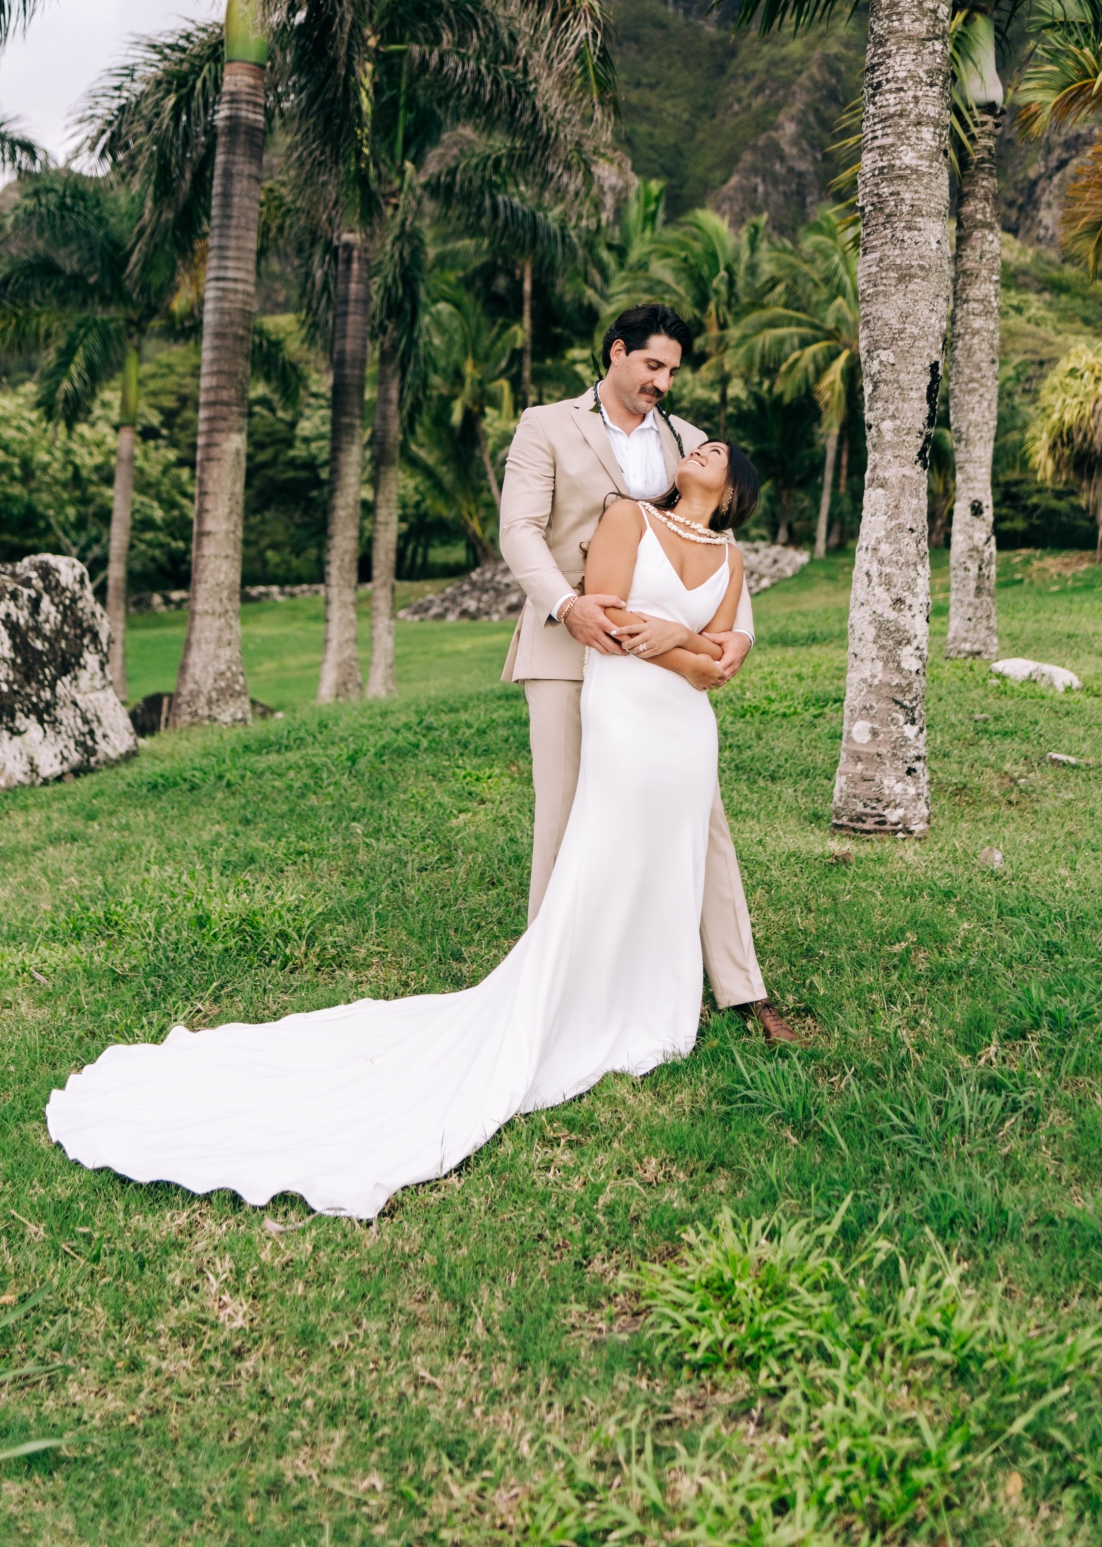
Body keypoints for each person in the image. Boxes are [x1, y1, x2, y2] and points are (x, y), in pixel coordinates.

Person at [46, 437, 775, 1219]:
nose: (699, 449)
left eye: (718, 452)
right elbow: (612, 621)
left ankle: (653, 1000)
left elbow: (723, 665)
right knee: (606, 853)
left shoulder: (730, 556)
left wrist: (684, 641)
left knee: (669, 859)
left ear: (733, 490)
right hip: (627, 710)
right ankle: (579, 996)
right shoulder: (631, 516)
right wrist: (681, 643)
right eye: (697, 445)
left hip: (689, 733)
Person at [499, 302, 794, 1043]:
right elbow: (519, 530)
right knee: (565, 816)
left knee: (703, 818)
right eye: (653, 365)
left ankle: (740, 987)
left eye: (673, 371)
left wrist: (740, 638)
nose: (664, 381)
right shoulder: (546, 425)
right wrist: (569, 607)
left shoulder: (688, 441)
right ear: (617, 353)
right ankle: (552, 986)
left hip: (664, 663)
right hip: (566, 641)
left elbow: (713, 540)